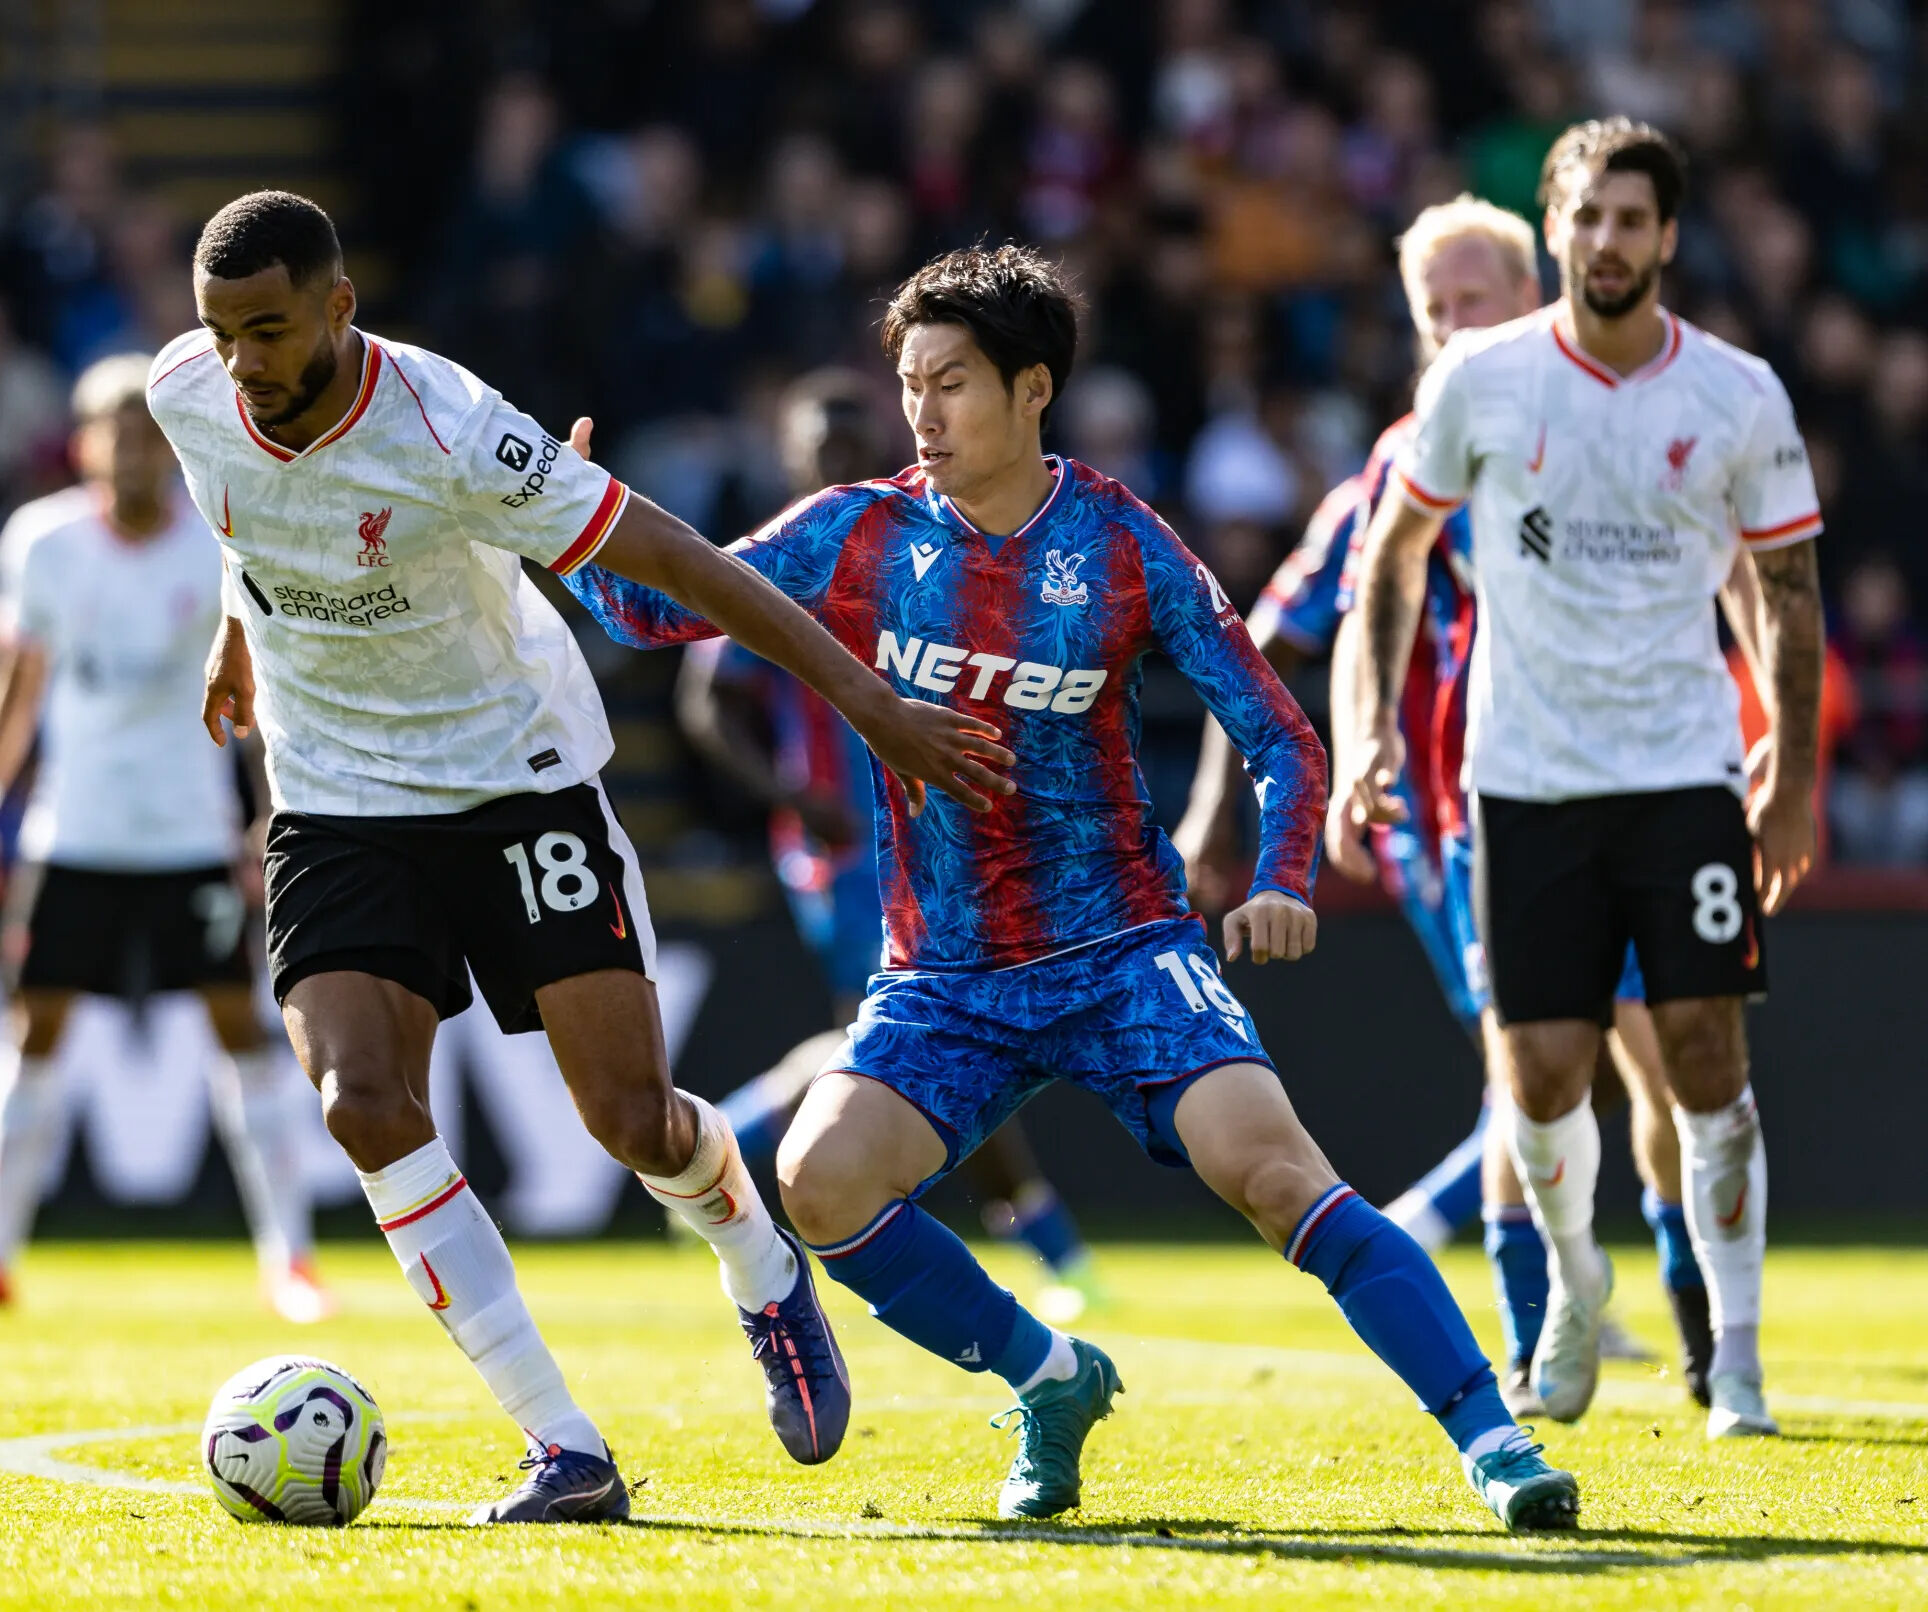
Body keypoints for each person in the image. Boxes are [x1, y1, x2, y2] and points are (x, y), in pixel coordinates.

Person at [568, 245, 1579, 1532]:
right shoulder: (859, 531)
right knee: (818, 1183)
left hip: (1125, 953)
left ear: (1032, 387)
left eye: (951, 383)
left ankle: (1495, 1444)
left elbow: (1281, 731)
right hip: (946, 977)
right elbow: (659, 616)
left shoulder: (1119, 541)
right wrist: (582, 516)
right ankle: (1052, 1377)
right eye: (911, 384)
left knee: (1275, 1176)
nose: (921, 414)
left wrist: (1278, 874)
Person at [148, 191, 1009, 1524]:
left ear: (337, 308)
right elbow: (241, 516)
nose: (244, 363)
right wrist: (237, 630)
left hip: (516, 781)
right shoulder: (184, 393)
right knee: (360, 1102)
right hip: (332, 795)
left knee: (633, 1121)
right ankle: (566, 1446)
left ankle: (757, 1263)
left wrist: (868, 701)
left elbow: (678, 559)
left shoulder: (447, 426)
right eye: (220, 333)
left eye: (269, 331)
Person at [1177, 195, 1715, 1412]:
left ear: (1529, 296)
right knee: (1530, 1072)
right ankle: (1538, 1341)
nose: (1457, 324)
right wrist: (1225, 812)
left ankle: (1689, 1336)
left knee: (1662, 1064)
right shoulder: (1405, 458)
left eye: (1477, 298)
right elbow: (1269, 635)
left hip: (1618, 791)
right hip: (1459, 819)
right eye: (1436, 309)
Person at [1341, 120, 1825, 1441]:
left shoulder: (1736, 395)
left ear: (1667, 237)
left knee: (1703, 1060)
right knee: (1542, 1079)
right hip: (1526, 783)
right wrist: (1371, 729)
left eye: (1631, 219)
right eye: (1585, 217)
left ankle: (1734, 1357)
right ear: (1554, 230)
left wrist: (1794, 771)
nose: (1606, 241)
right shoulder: (1483, 382)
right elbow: (1389, 560)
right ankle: (1570, 1277)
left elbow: (1785, 590)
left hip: (1684, 775)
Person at [0, 354, 327, 1327]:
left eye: (152, 432)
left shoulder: (217, 544)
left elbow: (261, 689)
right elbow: (13, 685)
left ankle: (291, 1263)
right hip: (77, 835)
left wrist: (272, 805)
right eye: (118, 432)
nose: (137, 450)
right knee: (34, 1032)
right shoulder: (45, 543)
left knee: (243, 1035)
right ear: (87, 443)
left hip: (190, 834)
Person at [684, 369, 1099, 1321]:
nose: (838, 462)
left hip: (943, 834)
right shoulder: (785, 567)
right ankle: (1046, 1245)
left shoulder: (932, 548)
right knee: (919, 1035)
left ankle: (717, 1145)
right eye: (819, 450)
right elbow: (705, 704)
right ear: (794, 461)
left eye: (850, 446)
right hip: (843, 852)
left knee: (909, 1036)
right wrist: (793, 795)